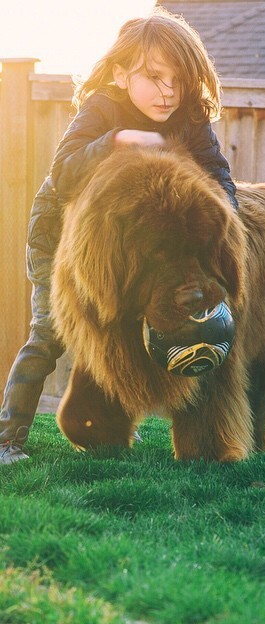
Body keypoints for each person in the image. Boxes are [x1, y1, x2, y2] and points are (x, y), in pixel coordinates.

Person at [0, 7, 238, 464]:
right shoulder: (103, 109)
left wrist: (218, 213)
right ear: (120, 73)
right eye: (154, 76)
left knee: (131, 327)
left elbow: (218, 178)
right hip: (61, 244)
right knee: (48, 336)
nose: (168, 91)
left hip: (130, 256)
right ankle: (8, 436)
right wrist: (116, 139)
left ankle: (109, 422)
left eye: (178, 79)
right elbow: (63, 173)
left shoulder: (189, 119)